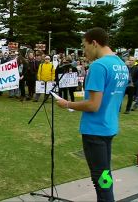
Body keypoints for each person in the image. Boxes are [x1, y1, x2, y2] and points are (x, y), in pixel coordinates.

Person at [56, 27, 129, 202]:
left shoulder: (99, 65)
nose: (83, 50)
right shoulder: (120, 64)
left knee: (100, 179)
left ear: (94, 43)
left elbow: (93, 105)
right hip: (109, 126)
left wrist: (67, 104)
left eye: (84, 45)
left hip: (95, 130)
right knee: (104, 173)